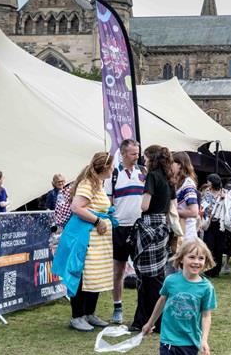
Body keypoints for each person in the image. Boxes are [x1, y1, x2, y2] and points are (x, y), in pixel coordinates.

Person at [64, 152, 115, 332]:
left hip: (98, 240)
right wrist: (97, 221)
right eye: (112, 165)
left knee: (96, 276)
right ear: (106, 167)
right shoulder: (88, 183)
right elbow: (76, 207)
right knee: (83, 275)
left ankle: (89, 313)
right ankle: (77, 316)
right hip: (87, 238)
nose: (114, 168)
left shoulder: (98, 183)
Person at [142, 238, 217, 355]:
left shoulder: (207, 288)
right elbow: (162, 301)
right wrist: (150, 323)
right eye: (192, 257)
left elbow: (206, 316)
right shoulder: (171, 281)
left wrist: (204, 340)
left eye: (201, 258)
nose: (196, 262)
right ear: (182, 258)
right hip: (168, 339)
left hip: (190, 342)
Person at [129, 145, 174, 333]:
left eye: (146, 158)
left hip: (149, 226)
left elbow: (145, 205)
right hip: (163, 227)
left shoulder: (152, 176)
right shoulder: (169, 179)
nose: (144, 161)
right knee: (155, 276)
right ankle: (143, 320)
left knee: (147, 278)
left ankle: (151, 321)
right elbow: (172, 206)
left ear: (152, 159)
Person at [104, 139, 144, 325]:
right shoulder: (113, 175)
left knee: (142, 271)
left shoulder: (143, 173)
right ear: (123, 154)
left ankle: (143, 308)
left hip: (140, 228)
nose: (137, 156)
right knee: (118, 271)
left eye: (138, 153)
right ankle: (117, 307)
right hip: (119, 228)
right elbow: (108, 202)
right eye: (133, 153)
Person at [200, 174, 226, 278]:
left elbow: (229, 205)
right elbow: (203, 206)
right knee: (209, 246)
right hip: (209, 222)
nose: (207, 183)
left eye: (209, 181)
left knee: (219, 248)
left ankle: (217, 270)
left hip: (221, 223)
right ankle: (208, 270)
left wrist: (225, 199)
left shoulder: (225, 193)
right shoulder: (207, 193)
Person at [171, 152, 201, 241]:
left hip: (187, 233)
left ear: (180, 165)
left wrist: (171, 211)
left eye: (171, 163)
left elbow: (194, 212)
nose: (169, 166)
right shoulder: (178, 183)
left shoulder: (187, 185)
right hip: (180, 231)